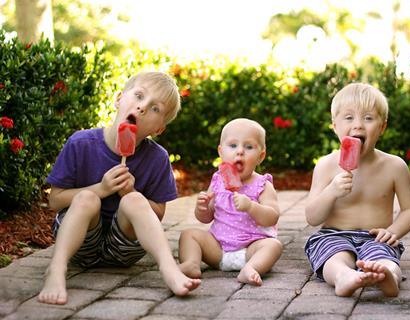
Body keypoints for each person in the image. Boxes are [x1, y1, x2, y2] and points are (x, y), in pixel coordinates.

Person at [38, 71, 201, 305]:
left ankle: (169, 269)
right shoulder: (80, 143)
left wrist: (131, 193)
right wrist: (101, 188)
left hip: (123, 250)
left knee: (134, 201)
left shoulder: (157, 158)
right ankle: (56, 269)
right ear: (118, 99)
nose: (143, 107)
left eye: (155, 108)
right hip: (80, 243)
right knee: (87, 198)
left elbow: (158, 213)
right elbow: (55, 200)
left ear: (159, 129)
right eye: (138, 96)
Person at [304, 83, 410, 297]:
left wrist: (393, 232)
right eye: (348, 118)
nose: (358, 125)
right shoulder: (326, 166)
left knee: (384, 257)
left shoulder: (394, 166)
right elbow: (312, 216)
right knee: (333, 256)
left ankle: (390, 277)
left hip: (375, 237)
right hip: (333, 234)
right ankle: (343, 276)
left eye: (368, 118)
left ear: (382, 127)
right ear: (335, 126)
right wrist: (331, 192)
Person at [178, 118, 283, 286]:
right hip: (218, 249)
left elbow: (272, 217)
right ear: (221, 152)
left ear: (260, 156)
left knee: (273, 246)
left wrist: (251, 206)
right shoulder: (218, 181)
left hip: (250, 249)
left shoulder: (263, 185)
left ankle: (251, 268)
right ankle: (191, 264)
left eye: (248, 147)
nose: (240, 152)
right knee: (188, 235)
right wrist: (202, 207)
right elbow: (206, 217)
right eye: (233, 146)